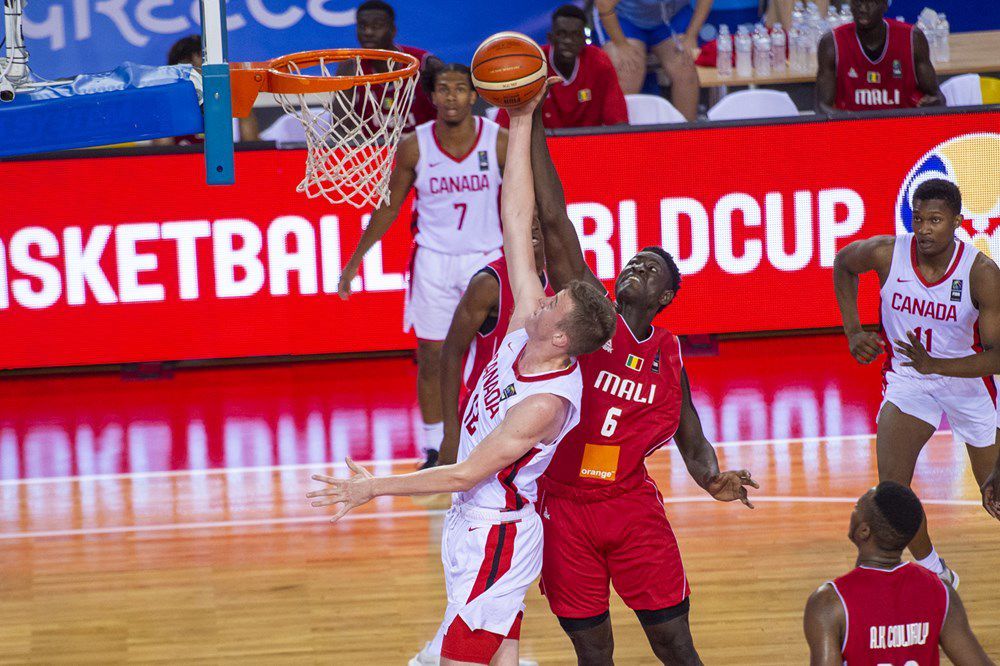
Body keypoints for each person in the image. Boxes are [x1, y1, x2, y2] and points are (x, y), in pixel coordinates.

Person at [309, 81, 618, 666]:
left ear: (561, 338)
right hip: (478, 528)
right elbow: (516, 214)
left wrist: (370, 487)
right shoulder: (533, 326)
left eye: (554, 305)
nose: (540, 300)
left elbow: (463, 475)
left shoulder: (543, 405)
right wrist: (522, 118)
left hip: (495, 533)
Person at [528, 86, 758, 664]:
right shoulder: (590, 318)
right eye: (632, 261)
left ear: (667, 296)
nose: (635, 266)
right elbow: (555, 222)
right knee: (595, 651)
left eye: (650, 268)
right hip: (562, 506)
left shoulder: (670, 353)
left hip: (630, 507)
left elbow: (691, 435)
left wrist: (712, 478)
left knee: (675, 643)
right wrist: (527, 119)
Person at [832, 178, 1000, 587]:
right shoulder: (888, 253)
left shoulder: (982, 274)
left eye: (936, 220)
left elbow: (996, 357)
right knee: (892, 492)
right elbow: (842, 264)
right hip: (909, 378)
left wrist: (937, 365)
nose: (924, 228)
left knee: (994, 494)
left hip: (968, 381)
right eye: (918, 218)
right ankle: (933, 569)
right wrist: (853, 331)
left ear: (957, 223)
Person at [338, 64, 506, 469]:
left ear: (473, 96)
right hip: (433, 261)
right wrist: (356, 259)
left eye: (459, 89)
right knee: (432, 357)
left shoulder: (497, 141)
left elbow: (525, 200)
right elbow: (390, 206)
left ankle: (493, 439)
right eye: (443, 89)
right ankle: (435, 448)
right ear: (432, 97)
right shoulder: (415, 146)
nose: (451, 96)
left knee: (495, 358)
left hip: (487, 262)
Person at [803, 482, 993, 665]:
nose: (853, 510)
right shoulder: (941, 593)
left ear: (863, 531)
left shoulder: (829, 602)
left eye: (856, 507)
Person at [438, 217, 553, 466]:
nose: (532, 223)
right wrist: (450, 432)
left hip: (540, 408)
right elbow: (450, 352)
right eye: (526, 216)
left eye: (538, 216)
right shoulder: (489, 283)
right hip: (490, 409)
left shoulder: (564, 281)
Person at [494, 5, 628, 129]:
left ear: (584, 41)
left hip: (589, 147)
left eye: (575, 35)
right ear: (550, 38)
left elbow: (619, 122)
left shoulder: (599, 63)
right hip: (543, 149)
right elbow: (504, 127)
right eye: (562, 34)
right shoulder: (532, 66)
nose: (568, 41)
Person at [816, 0, 944, 113]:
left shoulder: (913, 38)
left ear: (885, 5)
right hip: (853, 132)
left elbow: (937, 96)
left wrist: (933, 103)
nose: (862, 8)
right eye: (857, 2)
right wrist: (851, 119)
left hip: (904, 131)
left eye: (871, 2)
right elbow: (821, 107)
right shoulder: (831, 43)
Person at [593, 0, 704, 120]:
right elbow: (603, 5)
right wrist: (621, 44)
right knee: (627, 70)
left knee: (685, 68)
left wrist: (691, 35)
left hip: (671, 16)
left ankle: (687, 133)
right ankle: (620, 134)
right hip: (624, 18)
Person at [349, 0, 441, 133]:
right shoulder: (350, 68)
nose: (368, 32)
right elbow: (340, 126)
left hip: (426, 148)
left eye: (376, 26)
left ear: (393, 30)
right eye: (362, 26)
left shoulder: (426, 63)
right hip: (377, 150)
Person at [154, 35, 259, 146]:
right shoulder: (169, 107)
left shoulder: (236, 102)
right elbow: (162, 152)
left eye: (198, 68)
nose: (194, 76)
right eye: (187, 69)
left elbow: (251, 147)